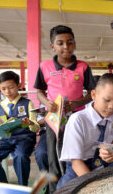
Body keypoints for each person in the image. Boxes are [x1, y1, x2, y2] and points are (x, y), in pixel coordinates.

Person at [33, 25, 95, 193]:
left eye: (70, 42)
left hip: (77, 117)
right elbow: (39, 92)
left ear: (74, 44)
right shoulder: (45, 66)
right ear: (53, 46)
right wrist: (46, 102)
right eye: (60, 43)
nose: (66, 47)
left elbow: (92, 93)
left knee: (75, 154)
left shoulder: (83, 67)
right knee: (53, 155)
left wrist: (76, 103)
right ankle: (55, 190)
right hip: (54, 118)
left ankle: (73, 186)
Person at [56, 73, 113, 189]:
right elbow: (76, 162)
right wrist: (95, 188)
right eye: (107, 100)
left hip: (105, 163)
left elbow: (112, 144)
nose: (112, 107)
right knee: (65, 190)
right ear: (93, 95)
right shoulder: (78, 120)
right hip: (80, 166)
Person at [0, 71, 40, 186]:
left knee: (20, 157)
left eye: (11, 87)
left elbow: (36, 127)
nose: (7, 92)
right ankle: (4, 185)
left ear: (19, 86)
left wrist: (30, 123)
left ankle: (22, 186)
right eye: (3, 89)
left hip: (25, 139)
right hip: (6, 139)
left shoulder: (27, 103)